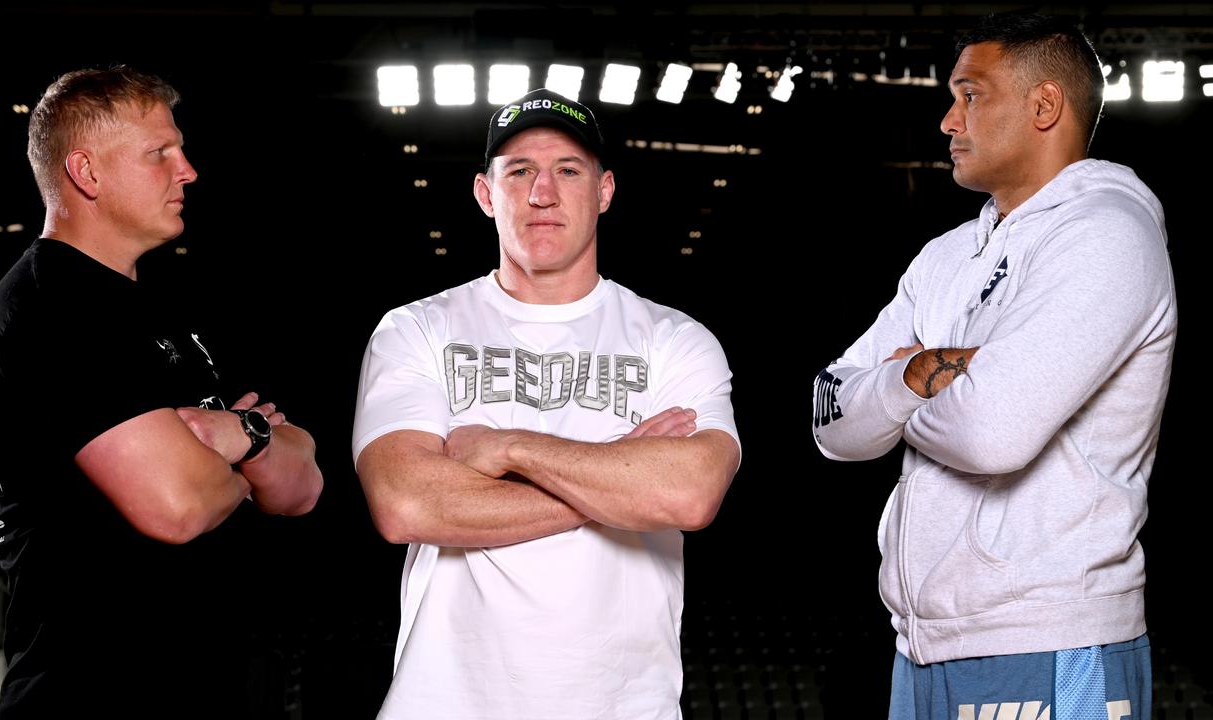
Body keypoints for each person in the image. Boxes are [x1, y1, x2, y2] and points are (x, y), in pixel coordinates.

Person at [811, 11, 1176, 720]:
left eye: (970, 95)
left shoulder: (1107, 234)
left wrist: (893, 397)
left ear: (1045, 106)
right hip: (921, 644)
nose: (949, 121)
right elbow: (830, 418)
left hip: (1049, 637)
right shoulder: (944, 256)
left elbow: (992, 433)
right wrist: (915, 376)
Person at [352, 88, 741, 719]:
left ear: (604, 190)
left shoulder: (676, 339)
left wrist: (508, 449)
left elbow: (687, 495)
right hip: (446, 702)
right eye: (519, 171)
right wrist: (619, 472)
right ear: (485, 193)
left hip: (622, 706)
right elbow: (406, 505)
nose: (543, 193)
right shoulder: (417, 329)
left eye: (567, 170)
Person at [0, 66, 323, 718]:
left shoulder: (155, 312)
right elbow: (178, 505)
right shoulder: (50, 306)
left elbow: (304, 486)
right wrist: (251, 457)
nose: (187, 170)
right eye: (160, 153)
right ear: (87, 173)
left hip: (193, 690)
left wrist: (243, 438)